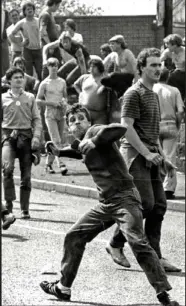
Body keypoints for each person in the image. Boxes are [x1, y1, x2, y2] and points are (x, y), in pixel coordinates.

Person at [40, 104, 179, 306]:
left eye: (81, 118)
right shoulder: (83, 144)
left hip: (125, 200)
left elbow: (120, 129)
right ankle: (63, 288)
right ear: (68, 129)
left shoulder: (96, 132)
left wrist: (94, 139)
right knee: (74, 236)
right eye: (72, 121)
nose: (77, 122)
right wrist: (59, 152)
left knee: (137, 242)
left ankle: (164, 295)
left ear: (89, 121)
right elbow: (78, 151)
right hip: (106, 204)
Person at [106, 48, 181, 273]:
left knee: (159, 206)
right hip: (134, 155)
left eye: (160, 65)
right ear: (141, 68)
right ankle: (115, 243)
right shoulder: (133, 93)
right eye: (153, 65)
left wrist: (163, 158)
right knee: (144, 204)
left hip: (151, 155)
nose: (158, 69)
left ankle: (156, 256)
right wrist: (147, 154)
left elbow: (152, 131)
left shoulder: (154, 94)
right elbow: (126, 128)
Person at [1, 67, 42, 219]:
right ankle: (8, 206)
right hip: (7, 137)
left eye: (21, 77)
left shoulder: (30, 97)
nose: (19, 79)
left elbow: (37, 119)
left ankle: (25, 208)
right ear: (9, 81)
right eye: (16, 77)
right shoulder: (3, 98)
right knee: (7, 169)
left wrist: (37, 137)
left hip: (26, 137)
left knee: (26, 175)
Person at [153, 68, 185, 200]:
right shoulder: (174, 90)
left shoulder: (151, 88)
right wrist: (177, 124)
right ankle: (168, 189)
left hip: (154, 124)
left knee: (154, 155)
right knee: (170, 156)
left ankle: (154, 185)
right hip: (170, 123)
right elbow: (180, 111)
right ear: (168, 77)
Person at [36, 58, 68, 175]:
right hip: (50, 114)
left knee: (58, 142)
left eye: (56, 65)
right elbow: (38, 100)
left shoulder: (62, 81)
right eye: (51, 65)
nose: (54, 67)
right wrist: (51, 103)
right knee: (56, 140)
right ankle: (62, 164)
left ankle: (48, 164)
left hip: (61, 113)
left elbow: (65, 96)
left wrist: (64, 102)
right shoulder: (44, 83)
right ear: (47, 67)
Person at [74, 59, 118, 125]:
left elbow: (114, 90)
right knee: (84, 133)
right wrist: (80, 93)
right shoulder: (85, 77)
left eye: (94, 67)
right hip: (84, 112)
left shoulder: (105, 79)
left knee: (100, 132)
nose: (91, 68)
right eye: (91, 66)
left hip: (100, 114)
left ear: (99, 68)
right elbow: (76, 84)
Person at [9, 1, 42, 81]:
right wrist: (21, 44)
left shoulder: (39, 21)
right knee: (28, 72)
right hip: (27, 51)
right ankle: (29, 90)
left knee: (40, 71)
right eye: (27, 9)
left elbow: (46, 31)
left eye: (31, 8)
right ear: (24, 11)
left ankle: (41, 89)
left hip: (38, 50)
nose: (30, 10)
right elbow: (11, 35)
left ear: (34, 10)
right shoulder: (22, 22)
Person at [39, 0, 62, 80]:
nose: (58, 7)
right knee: (47, 66)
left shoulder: (50, 14)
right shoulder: (45, 14)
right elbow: (42, 31)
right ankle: (45, 85)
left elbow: (48, 28)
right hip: (49, 45)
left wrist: (55, 27)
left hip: (53, 44)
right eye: (58, 5)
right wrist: (50, 45)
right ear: (54, 4)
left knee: (57, 64)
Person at [161, 34, 185, 101]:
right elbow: (159, 60)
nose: (166, 46)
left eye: (168, 44)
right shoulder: (168, 52)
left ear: (174, 45)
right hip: (177, 73)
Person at [1, 6, 10, 76]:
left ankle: (4, 82)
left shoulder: (5, 12)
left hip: (3, 39)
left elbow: (7, 25)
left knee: (5, 63)